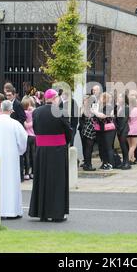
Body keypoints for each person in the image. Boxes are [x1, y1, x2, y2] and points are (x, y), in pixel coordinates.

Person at [29, 89, 72, 222]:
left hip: (42, 150)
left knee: (42, 179)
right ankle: (57, 213)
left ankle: (42, 212)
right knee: (58, 181)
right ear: (54, 98)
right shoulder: (60, 112)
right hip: (58, 150)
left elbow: (35, 129)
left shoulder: (36, 112)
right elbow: (68, 131)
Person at [0, 100, 28, 219]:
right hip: (11, 158)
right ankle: (11, 210)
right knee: (11, 182)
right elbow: (23, 141)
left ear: (0, 109)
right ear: (11, 110)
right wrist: (19, 152)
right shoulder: (15, 124)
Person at [92, 92, 116, 170]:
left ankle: (110, 164)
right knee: (102, 147)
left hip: (108, 130)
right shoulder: (100, 106)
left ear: (105, 99)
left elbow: (102, 116)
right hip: (100, 129)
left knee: (108, 147)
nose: (99, 99)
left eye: (101, 97)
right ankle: (104, 163)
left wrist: (94, 111)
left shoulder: (108, 106)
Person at [78, 95, 96, 171]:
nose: (86, 101)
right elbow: (81, 120)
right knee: (88, 148)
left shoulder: (89, 108)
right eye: (84, 100)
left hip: (86, 130)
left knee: (87, 148)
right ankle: (88, 165)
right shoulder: (86, 109)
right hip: (87, 130)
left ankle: (87, 164)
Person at [115, 93, 131, 170]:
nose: (118, 99)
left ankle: (127, 162)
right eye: (117, 97)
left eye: (119, 97)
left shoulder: (126, 107)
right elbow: (116, 118)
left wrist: (120, 130)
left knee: (124, 146)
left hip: (124, 129)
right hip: (119, 129)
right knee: (122, 146)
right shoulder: (118, 107)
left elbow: (124, 120)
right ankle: (124, 162)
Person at [22, 97, 36, 180]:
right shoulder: (35, 112)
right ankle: (33, 172)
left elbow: (26, 125)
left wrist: (25, 123)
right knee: (33, 155)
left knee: (26, 155)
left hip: (26, 135)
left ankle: (27, 173)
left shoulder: (23, 112)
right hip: (34, 136)